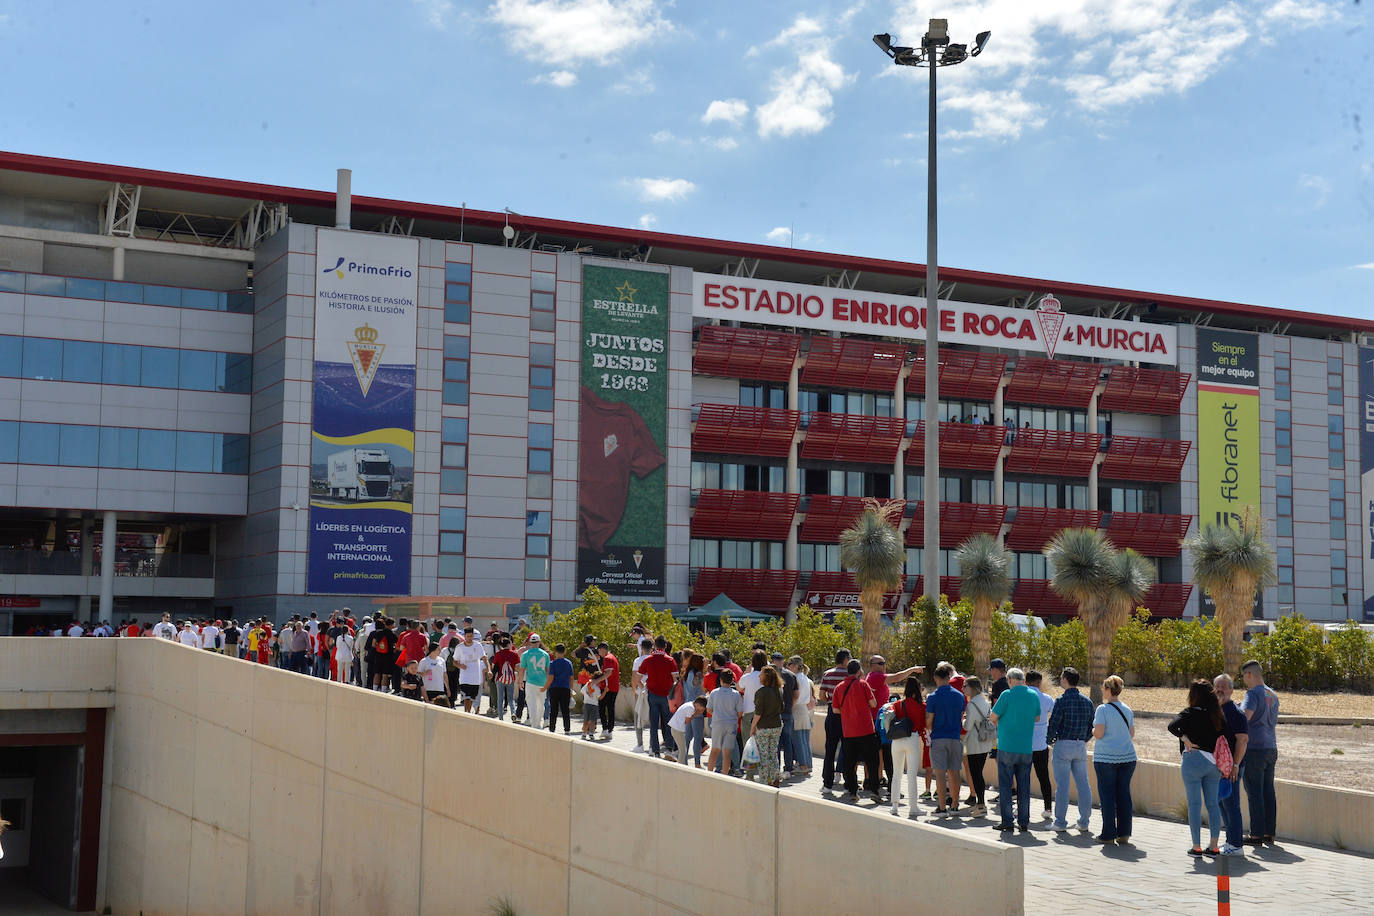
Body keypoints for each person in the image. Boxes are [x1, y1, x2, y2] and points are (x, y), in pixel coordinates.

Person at [1169, 679, 1234, 856]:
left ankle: (1196, 846)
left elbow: (1172, 726)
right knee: (1213, 804)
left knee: (1194, 805)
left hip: (1193, 761)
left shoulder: (1190, 713)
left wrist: (1185, 739)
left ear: (1193, 695)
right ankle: (1213, 846)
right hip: (1213, 764)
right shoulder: (1217, 715)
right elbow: (1225, 735)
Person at [989, 667, 1040, 833]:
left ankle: (1007, 821)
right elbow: (1038, 717)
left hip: (1007, 747)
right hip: (1026, 748)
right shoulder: (1033, 695)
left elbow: (993, 717)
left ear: (1010, 680)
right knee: (1024, 787)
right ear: (1023, 680)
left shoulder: (1006, 695)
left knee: (1005, 786)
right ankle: (1024, 822)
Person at [1046, 667, 1094, 834]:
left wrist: (1049, 740)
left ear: (1065, 679)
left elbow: (1053, 724)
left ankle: (1060, 822)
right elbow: (1091, 726)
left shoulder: (1061, 700)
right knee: (1083, 785)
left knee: (1063, 786)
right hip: (1080, 745)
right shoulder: (1087, 701)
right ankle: (1084, 821)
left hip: (1063, 744)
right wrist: (1084, 739)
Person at [1093, 675, 1137, 845]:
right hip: (1128, 757)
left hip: (1106, 758)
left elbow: (1099, 733)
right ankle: (1124, 833)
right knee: (1124, 794)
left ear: (1108, 689)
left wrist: (1092, 730)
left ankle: (1108, 834)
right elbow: (1131, 733)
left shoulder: (1102, 710)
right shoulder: (1127, 709)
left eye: (1104, 688)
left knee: (1107, 796)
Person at [1239, 660, 1279, 846]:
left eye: (1243, 676)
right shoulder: (1272, 693)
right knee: (1268, 791)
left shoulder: (1252, 693)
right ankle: (1269, 833)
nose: (1244, 680)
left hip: (1255, 748)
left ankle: (1255, 835)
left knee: (1254, 792)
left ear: (1249, 674)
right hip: (1271, 746)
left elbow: (1244, 717)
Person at [833, 659, 879, 802]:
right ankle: (874, 790)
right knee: (872, 761)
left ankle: (853, 791)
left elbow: (835, 710)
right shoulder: (863, 684)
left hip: (849, 731)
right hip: (866, 730)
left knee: (850, 763)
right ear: (859, 671)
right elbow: (873, 703)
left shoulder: (839, 687)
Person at [1214, 673, 1250, 856]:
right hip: (1220, 768)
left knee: (1231, 804)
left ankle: (1236, 845)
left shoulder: (1235, 713)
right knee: (1223, 803)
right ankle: (1230, 841)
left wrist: (1235, 765)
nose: (1220, 690)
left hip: (1232, 768)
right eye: (1217, 686)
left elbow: (1242, 740)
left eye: (1224, 687)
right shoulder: (1216, 710)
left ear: (1231, 690)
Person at [924, 661, 965, 817]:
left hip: (939, 737)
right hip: (955, 737)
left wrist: (931, 727)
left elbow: (929, 721)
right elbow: (961, 716)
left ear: (935, 678)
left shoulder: (933, 697)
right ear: (949, 677)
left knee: (940, 774)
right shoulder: (960, 696)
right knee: (955, 772)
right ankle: (955, 806)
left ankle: (942, 808)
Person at [887, 676, 926, 817]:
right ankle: (913, 807)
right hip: (912, 739)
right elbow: (923, 725)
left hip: (897, 740)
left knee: (896, 774)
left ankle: (894, 806)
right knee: (912, 775)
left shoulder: (897, 704)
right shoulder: (922, 706)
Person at [639, 636, 680, 758]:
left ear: (654, 646)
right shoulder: (670, 660)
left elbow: (637, 677)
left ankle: (655, 749)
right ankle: (669, 747)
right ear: (665, 646)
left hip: (652, 694)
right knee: (668, 722)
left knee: (654, 722)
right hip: (666, 695)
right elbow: (676, 679)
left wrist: (644, 687)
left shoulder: (648, 660)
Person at [960, 676, 994, 818]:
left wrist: (963, 720)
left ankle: (980, 805)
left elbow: (968, 726)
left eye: (965, 686)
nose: (963, 689)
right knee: (978, 773)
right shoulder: (985, 701)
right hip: (985, 741)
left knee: (976, 775)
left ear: (972, 687)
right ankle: (980, 804)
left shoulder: (972, 704)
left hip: (975, 742)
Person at [818, 649, 851, 791]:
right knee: (848, 749)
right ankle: (849, 782)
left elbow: (822, 695)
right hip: (848, 714)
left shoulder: (828, 674)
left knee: (830, 750)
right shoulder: (851, 675)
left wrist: (830, 700)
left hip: (832, 712)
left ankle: (827, 783)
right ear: (845, 660)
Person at [1025, 671, 1055, 821]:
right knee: (1043, 777)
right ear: (1039, 682)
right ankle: (1048, 808)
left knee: (1023, 777)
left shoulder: (1023, 698)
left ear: (1026, 681)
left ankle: (1022, 808)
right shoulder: (1046, 698)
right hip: (1041, 744)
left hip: (1024, 744)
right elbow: (1055, 714)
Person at [750, 665, 785, 787]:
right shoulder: (779, 690)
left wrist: (752, 727)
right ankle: (775, 778)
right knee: (773, 753)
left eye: (761, 674)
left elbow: (758, 713)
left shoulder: (761, 692)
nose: (759, 676)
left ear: (765, 677)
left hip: (763, 727)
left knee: (763, 754)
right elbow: (782, 708)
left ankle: (764, 779)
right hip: (776, 725)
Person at [706, 669, 742, 776]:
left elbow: (709, 709)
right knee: (727, 752)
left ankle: (709, 773)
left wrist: (717, 714)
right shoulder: (736, 694)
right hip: (731, 724)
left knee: (715, 749)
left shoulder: (714, 692)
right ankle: (725, 774)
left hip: (717, 723)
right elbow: (740, 712)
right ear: (732, 681)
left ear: (720, 680)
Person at [680, 651, 707, 766]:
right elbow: (703, 689)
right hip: (697, 708)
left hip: (687, 706)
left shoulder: (687, 673)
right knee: (697, 736)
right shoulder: (699, 674)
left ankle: (683, 760)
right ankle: (697, 763)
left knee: (687, 737)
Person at [787, 657, 814, 775]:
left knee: (798, 739)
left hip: (797, 709)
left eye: (790, 664)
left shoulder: (795, 678)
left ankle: (803, 765)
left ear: (795, 666)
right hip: (804, 709)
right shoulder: (805, 678)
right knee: (805, 740)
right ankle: (808, 764)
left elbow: (795, 696)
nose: (788, 666)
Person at [452, 628, 487, 714]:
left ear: (473, 636)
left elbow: (484, 658)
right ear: (465, 636)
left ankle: (468, 713)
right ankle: (466, 713)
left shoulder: (478, 645)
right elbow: (454, 662)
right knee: (466, 697)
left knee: (471, 698)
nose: (469, 638)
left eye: (471, 636)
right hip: (464, 678)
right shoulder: (459, 647)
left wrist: (489, 670)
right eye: (467, 636)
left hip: (475, 678)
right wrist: (460, 665)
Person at [519, 634, 551, 729]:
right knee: (541, 704)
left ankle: (534, 724)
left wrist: (520, 682)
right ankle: (538, 723)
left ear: (530, 642)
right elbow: (547, 670)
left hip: (530, 682)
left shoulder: (525, 654)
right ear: (539, 642)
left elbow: (522, 669)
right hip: (542, 682)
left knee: (531, 703)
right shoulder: (545, 654)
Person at [630, 637, 653, 751]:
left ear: (642, 648)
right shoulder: (654, 660)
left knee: (638, 717)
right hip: (653, 690)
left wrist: (635, 689)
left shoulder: (638, 660)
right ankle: (652, 745)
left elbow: (635, 677)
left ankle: (640, 744)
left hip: (641, 691)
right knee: (652, 718)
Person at [547, 644, 574, 735]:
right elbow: (571, 678)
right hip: (565, 688)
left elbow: (551, 677)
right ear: (565, 651)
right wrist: (571, 689)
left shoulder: (553, 663)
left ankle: (552, 729)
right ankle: (567, 729)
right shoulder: (568, 663)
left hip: (554, 688)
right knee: (565, 710)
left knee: (553, 709)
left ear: (556, 652)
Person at [491, 637, 520, 720]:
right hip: (511, 678)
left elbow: (493, 666)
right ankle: (513, 713)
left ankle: (500, 717)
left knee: (500, 698)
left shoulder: (498, 654)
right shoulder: (514, 654)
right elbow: (518, 667)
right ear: (508, 644)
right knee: (511, 698)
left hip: (500, 678)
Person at [596, 642, 620, 738]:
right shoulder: (612, 657)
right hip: (613, 687)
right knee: (610, 708)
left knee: (602, 707)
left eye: (599, 651)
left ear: (603, 649)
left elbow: (609, 673)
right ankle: (609, 730)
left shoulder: (607, 658)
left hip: (607, 688)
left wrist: (596, 681)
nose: (599, 653)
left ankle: (606, 729)